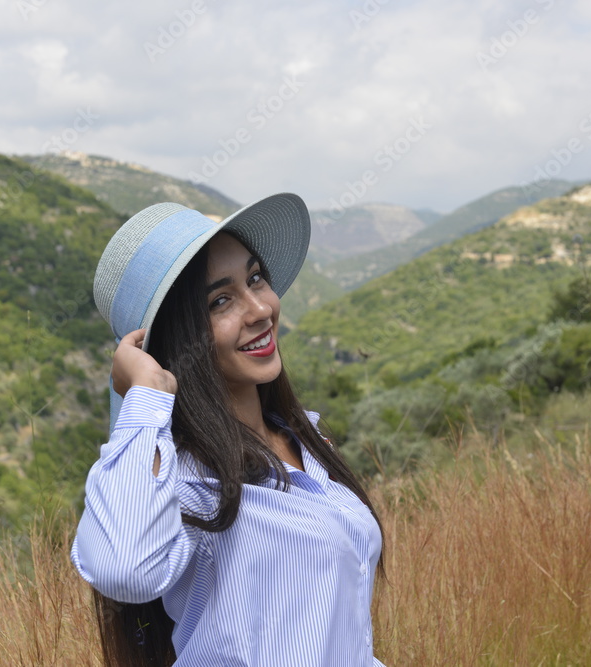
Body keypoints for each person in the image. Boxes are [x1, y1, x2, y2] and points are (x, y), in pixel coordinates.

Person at [71, 193, 386, 666]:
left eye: (255, 278)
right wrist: (148, 391)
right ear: (179, 338)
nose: (260, 309)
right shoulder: (192, 483)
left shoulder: (307, 444)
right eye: (221, 300)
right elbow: (124, 570)